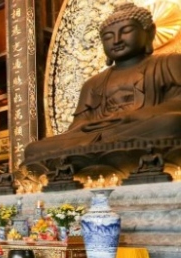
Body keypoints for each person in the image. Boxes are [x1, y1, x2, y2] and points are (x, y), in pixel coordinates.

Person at [24, 3, 181, 180]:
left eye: (126, 31)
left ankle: (97, 157)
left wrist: (134, 116)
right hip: (99, 139)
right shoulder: (93, 83)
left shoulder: (169, 62)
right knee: (34, 149)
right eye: (108, 36)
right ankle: (98, 157)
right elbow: (78, 124)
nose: (117, 40)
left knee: (172, 123)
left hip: (140, 129)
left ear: (149, 33)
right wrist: (87, 126)